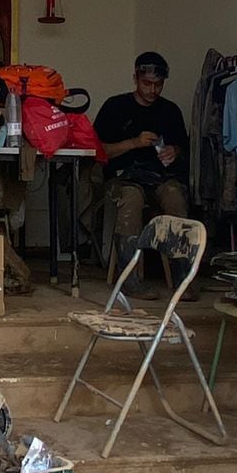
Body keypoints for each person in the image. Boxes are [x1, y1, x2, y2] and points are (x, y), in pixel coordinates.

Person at [92, 52, 190, 293]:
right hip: (123, 178)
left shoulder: (170, 111)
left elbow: (184, 149)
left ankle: (183, 278)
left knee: (176, 196)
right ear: (135, 78)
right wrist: (134, 143)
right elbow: (98, 150)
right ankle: (129, 278)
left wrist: (173, 151)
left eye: (158, 85)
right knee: (131, 200)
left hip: (160, 177)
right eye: (147, 84)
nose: (153, 90)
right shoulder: (115, 107)